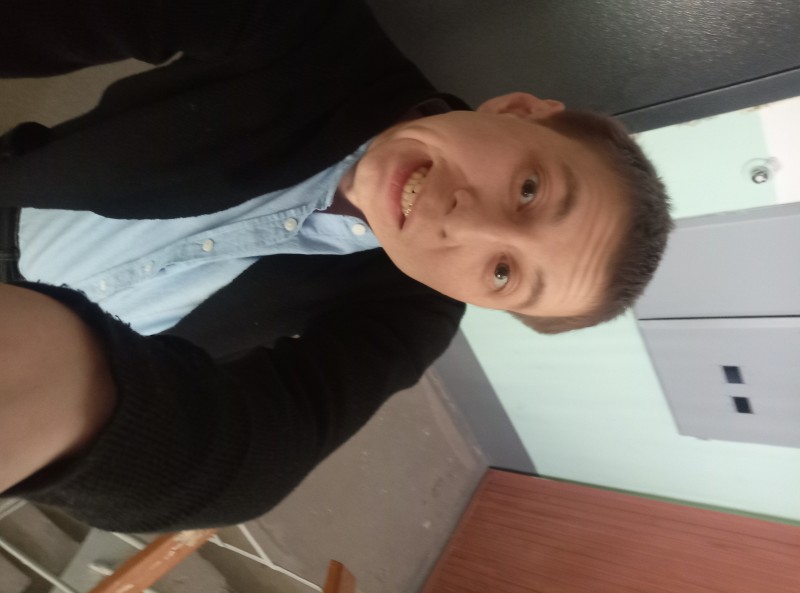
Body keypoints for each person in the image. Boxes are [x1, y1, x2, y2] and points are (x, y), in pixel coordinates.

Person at [0, 0, 671, 532]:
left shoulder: (413, 310)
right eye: (529, 190)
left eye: (502, 273)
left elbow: (263, 458)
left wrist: (74, 397)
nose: (463, 223)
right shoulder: (308, 31)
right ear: (519, 111)